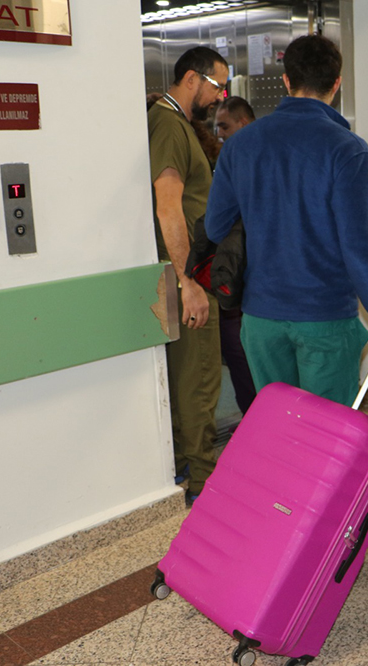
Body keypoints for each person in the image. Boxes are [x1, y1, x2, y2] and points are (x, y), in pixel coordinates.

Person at [205, 34, 368, 406]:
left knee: (279, 427)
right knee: (326, 436)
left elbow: (216, 227)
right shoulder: (348, 150)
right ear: (336, 83)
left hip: (261, 317)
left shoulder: (240, 144)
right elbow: (360, 247)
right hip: (324, 317)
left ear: (286, 80)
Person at [148, 46, 229, 504]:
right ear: (193, 79)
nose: (220, 96)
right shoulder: (168, 124)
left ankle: (188, 467)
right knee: (198, 380)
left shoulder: (172, 122)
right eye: (217, 85)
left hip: (190, 272)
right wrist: (189, 281)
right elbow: (168, 204)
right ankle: (203, 482)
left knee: (189, 379)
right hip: (188, 277)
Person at [212, 96, 258, 415]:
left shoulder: (236, 156)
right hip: (265, 284)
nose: (220, 135)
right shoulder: (277, 153)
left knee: (238, 348)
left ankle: (257, 423)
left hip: (245, 280)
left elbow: (215, 226)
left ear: (243, 123)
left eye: (225, 126)